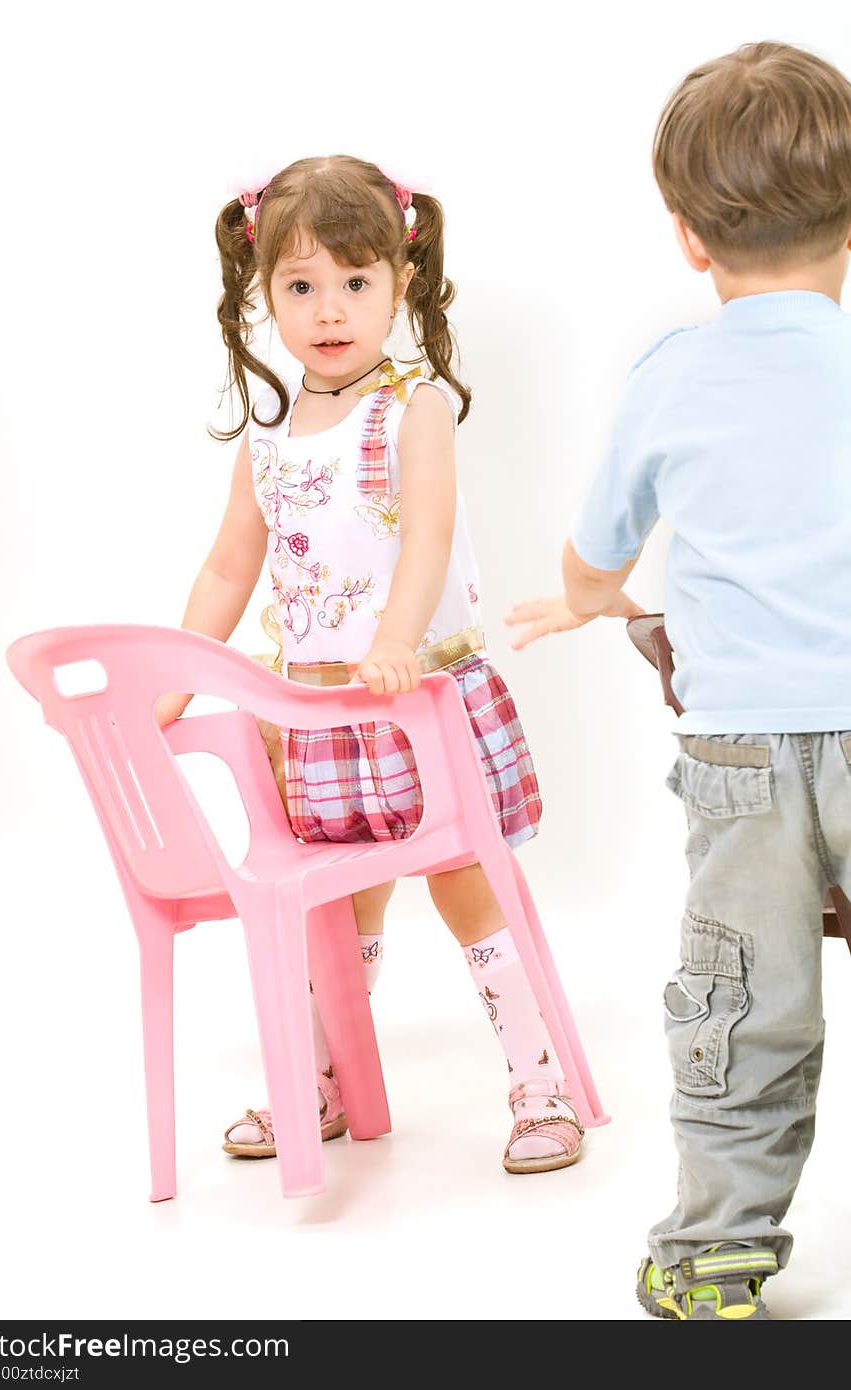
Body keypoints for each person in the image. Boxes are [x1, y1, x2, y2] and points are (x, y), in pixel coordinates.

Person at [158, 154, 602, 1173]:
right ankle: (324, 1079)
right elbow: (232, 564)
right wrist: (180, 674)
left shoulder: (414, 410)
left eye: (355, 282)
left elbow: (427, 538)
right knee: (337, 902)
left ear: (401, 284)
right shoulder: (268, 440)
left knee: (461, 884)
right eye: (300, 285)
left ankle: (537, 1084)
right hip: (316, 715)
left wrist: (395, 638)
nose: (329, 308)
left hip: (417, 698)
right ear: (259, 295)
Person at [507, 42, 851, 1318]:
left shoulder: (672, 371)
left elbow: (593, 553)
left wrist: (595, 603)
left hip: (740, 763)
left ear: (689, 239)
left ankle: (715, 1254)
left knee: (740, 1004)